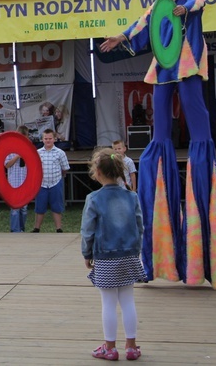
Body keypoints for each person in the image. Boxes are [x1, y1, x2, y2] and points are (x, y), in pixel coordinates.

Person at [99, 0, 216, 290]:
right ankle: (156, 258)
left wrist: (184, 10)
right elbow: (142, 24)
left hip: (186, 63)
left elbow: (198, 0)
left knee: (199, 132)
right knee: (159, 139)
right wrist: (120, 37)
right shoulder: (159, 4)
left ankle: (201, 183)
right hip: (163, 68)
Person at [81, 148, 145, 361]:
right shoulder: (131, 196)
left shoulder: (94, 198)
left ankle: (110, 347)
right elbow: (139, 226)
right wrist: (137, 250)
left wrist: (86, 253)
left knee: (108, 302)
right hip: (129, 254)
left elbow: (88, 230)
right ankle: (132, 346)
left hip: (105, 256)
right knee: (128, 300)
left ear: (97, 172)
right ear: (119, 171)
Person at [32, 129, 69, 233]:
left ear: (54, 139)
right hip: (42, 184)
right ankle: (37, 228)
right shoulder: (37, 153)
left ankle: (58, 228)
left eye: (50, 138)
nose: (48, 140)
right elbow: (34, 168)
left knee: (57, 206)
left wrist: (59, 176)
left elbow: (65, 168)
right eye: (46, 138)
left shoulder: (60, 153)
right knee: (40, 207)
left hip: (56, 182)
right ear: (42, 140)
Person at [5, 126, 31, 232]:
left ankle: (21, 228)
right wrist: (17, 156)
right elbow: (7, 165)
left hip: (25, 182)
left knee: (24, 209)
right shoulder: (10, 149)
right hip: (13, 183)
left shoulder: (29, 148)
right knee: (15, 208)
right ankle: (15, 230)